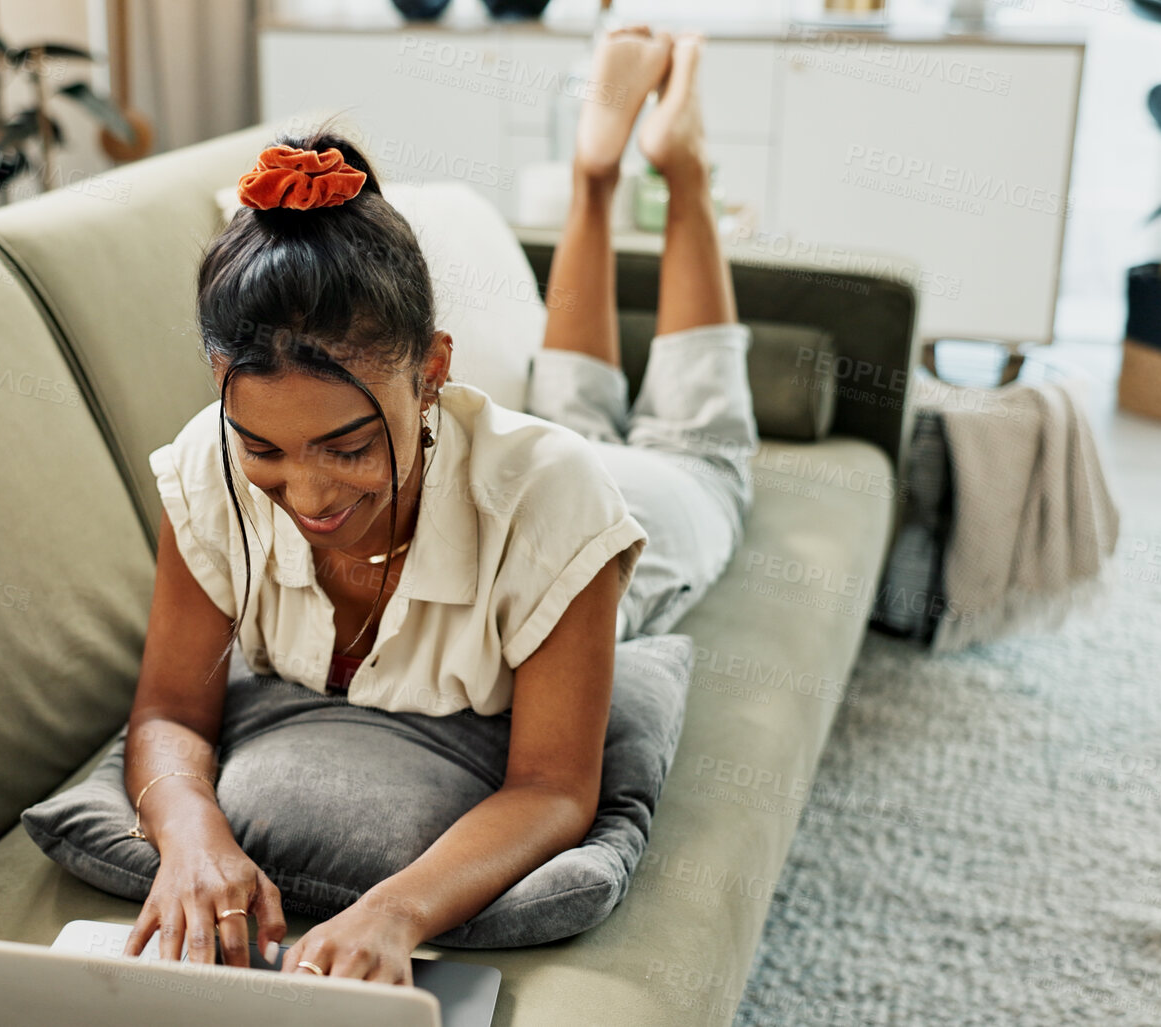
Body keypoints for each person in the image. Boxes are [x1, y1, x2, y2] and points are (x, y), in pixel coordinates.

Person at [119, 25, 756, 986]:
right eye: (265, 448)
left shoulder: (555, 496)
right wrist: (192, 836)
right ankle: (592, 175)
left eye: (348, 445)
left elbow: (551, 786)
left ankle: (681, 167)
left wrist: (393, 910)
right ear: (221, 387)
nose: (308, 493)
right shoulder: (206, 473)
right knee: (567, 400)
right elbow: (167, 709)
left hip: (631, 515)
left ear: (434, 374)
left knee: (693, 445)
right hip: (491, 456)